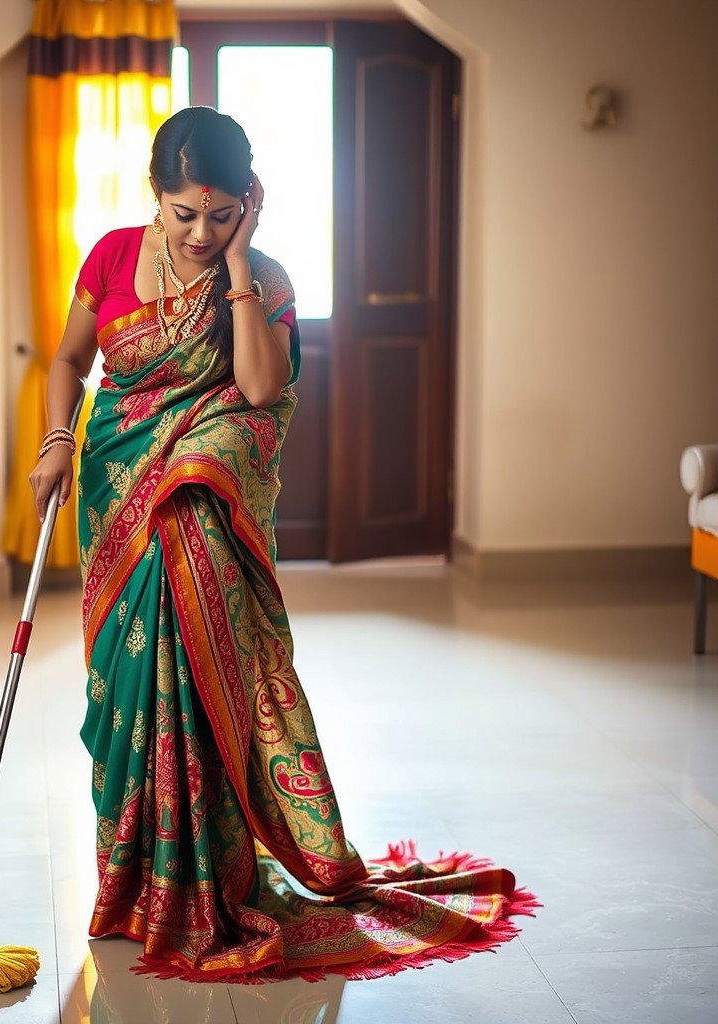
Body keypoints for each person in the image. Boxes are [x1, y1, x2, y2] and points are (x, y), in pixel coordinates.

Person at [29, 106, 537, 983]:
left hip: (196, 513)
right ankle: (133, 881)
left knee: (195, 666)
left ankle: (208, 879)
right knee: (125, 694)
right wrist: (58, 439)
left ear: (249, 203)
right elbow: (69, 362)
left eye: (221, 215)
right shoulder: (112, 256)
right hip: (114, 498)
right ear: (156, 197)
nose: (199, 231)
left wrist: (237, 264)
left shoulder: (263, 277)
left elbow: (260, 392)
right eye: (184, 213)